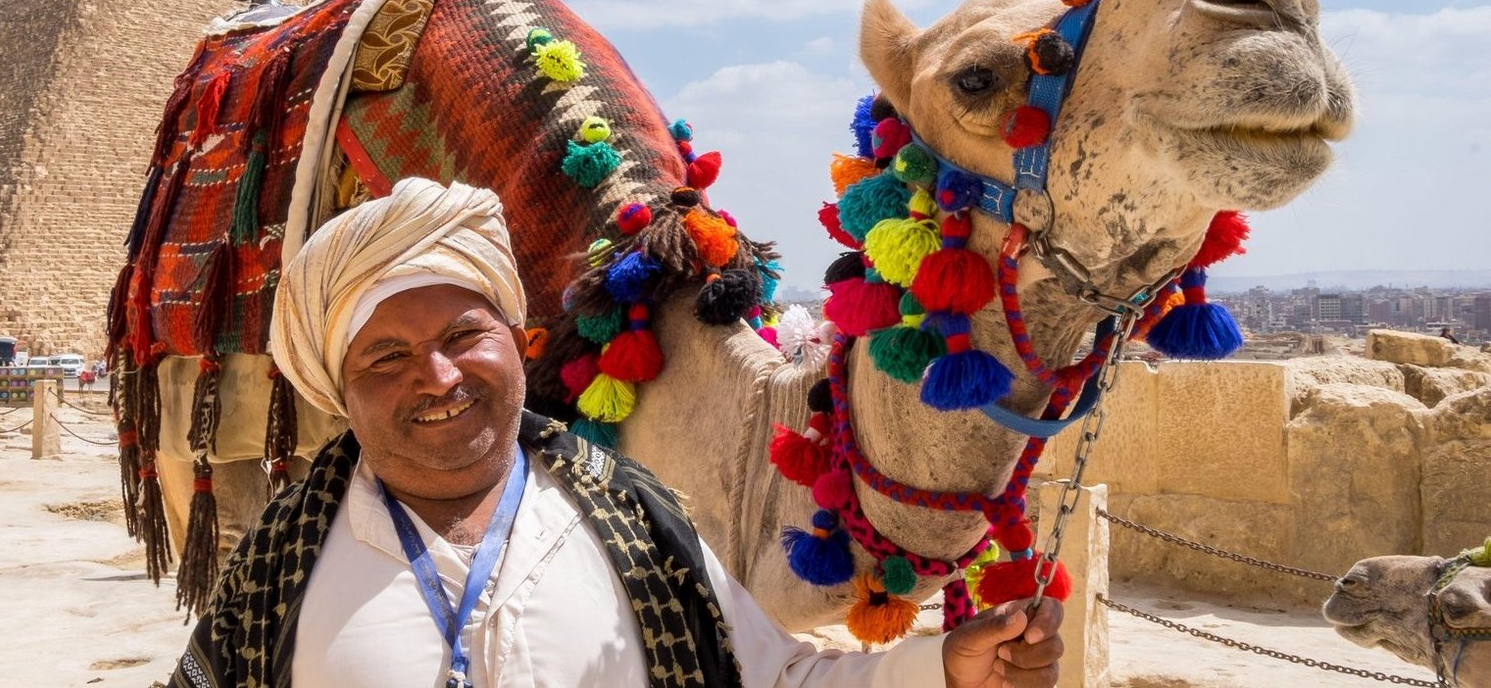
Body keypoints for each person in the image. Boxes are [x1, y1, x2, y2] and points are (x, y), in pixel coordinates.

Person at [169, 178, 1065, 687]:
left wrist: (942, 669)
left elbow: (774, 679)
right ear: (339, 391)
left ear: (519, 346)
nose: (435, 378)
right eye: (386, 358)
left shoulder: (634, 524)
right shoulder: (281, 570)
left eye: (461, 337)